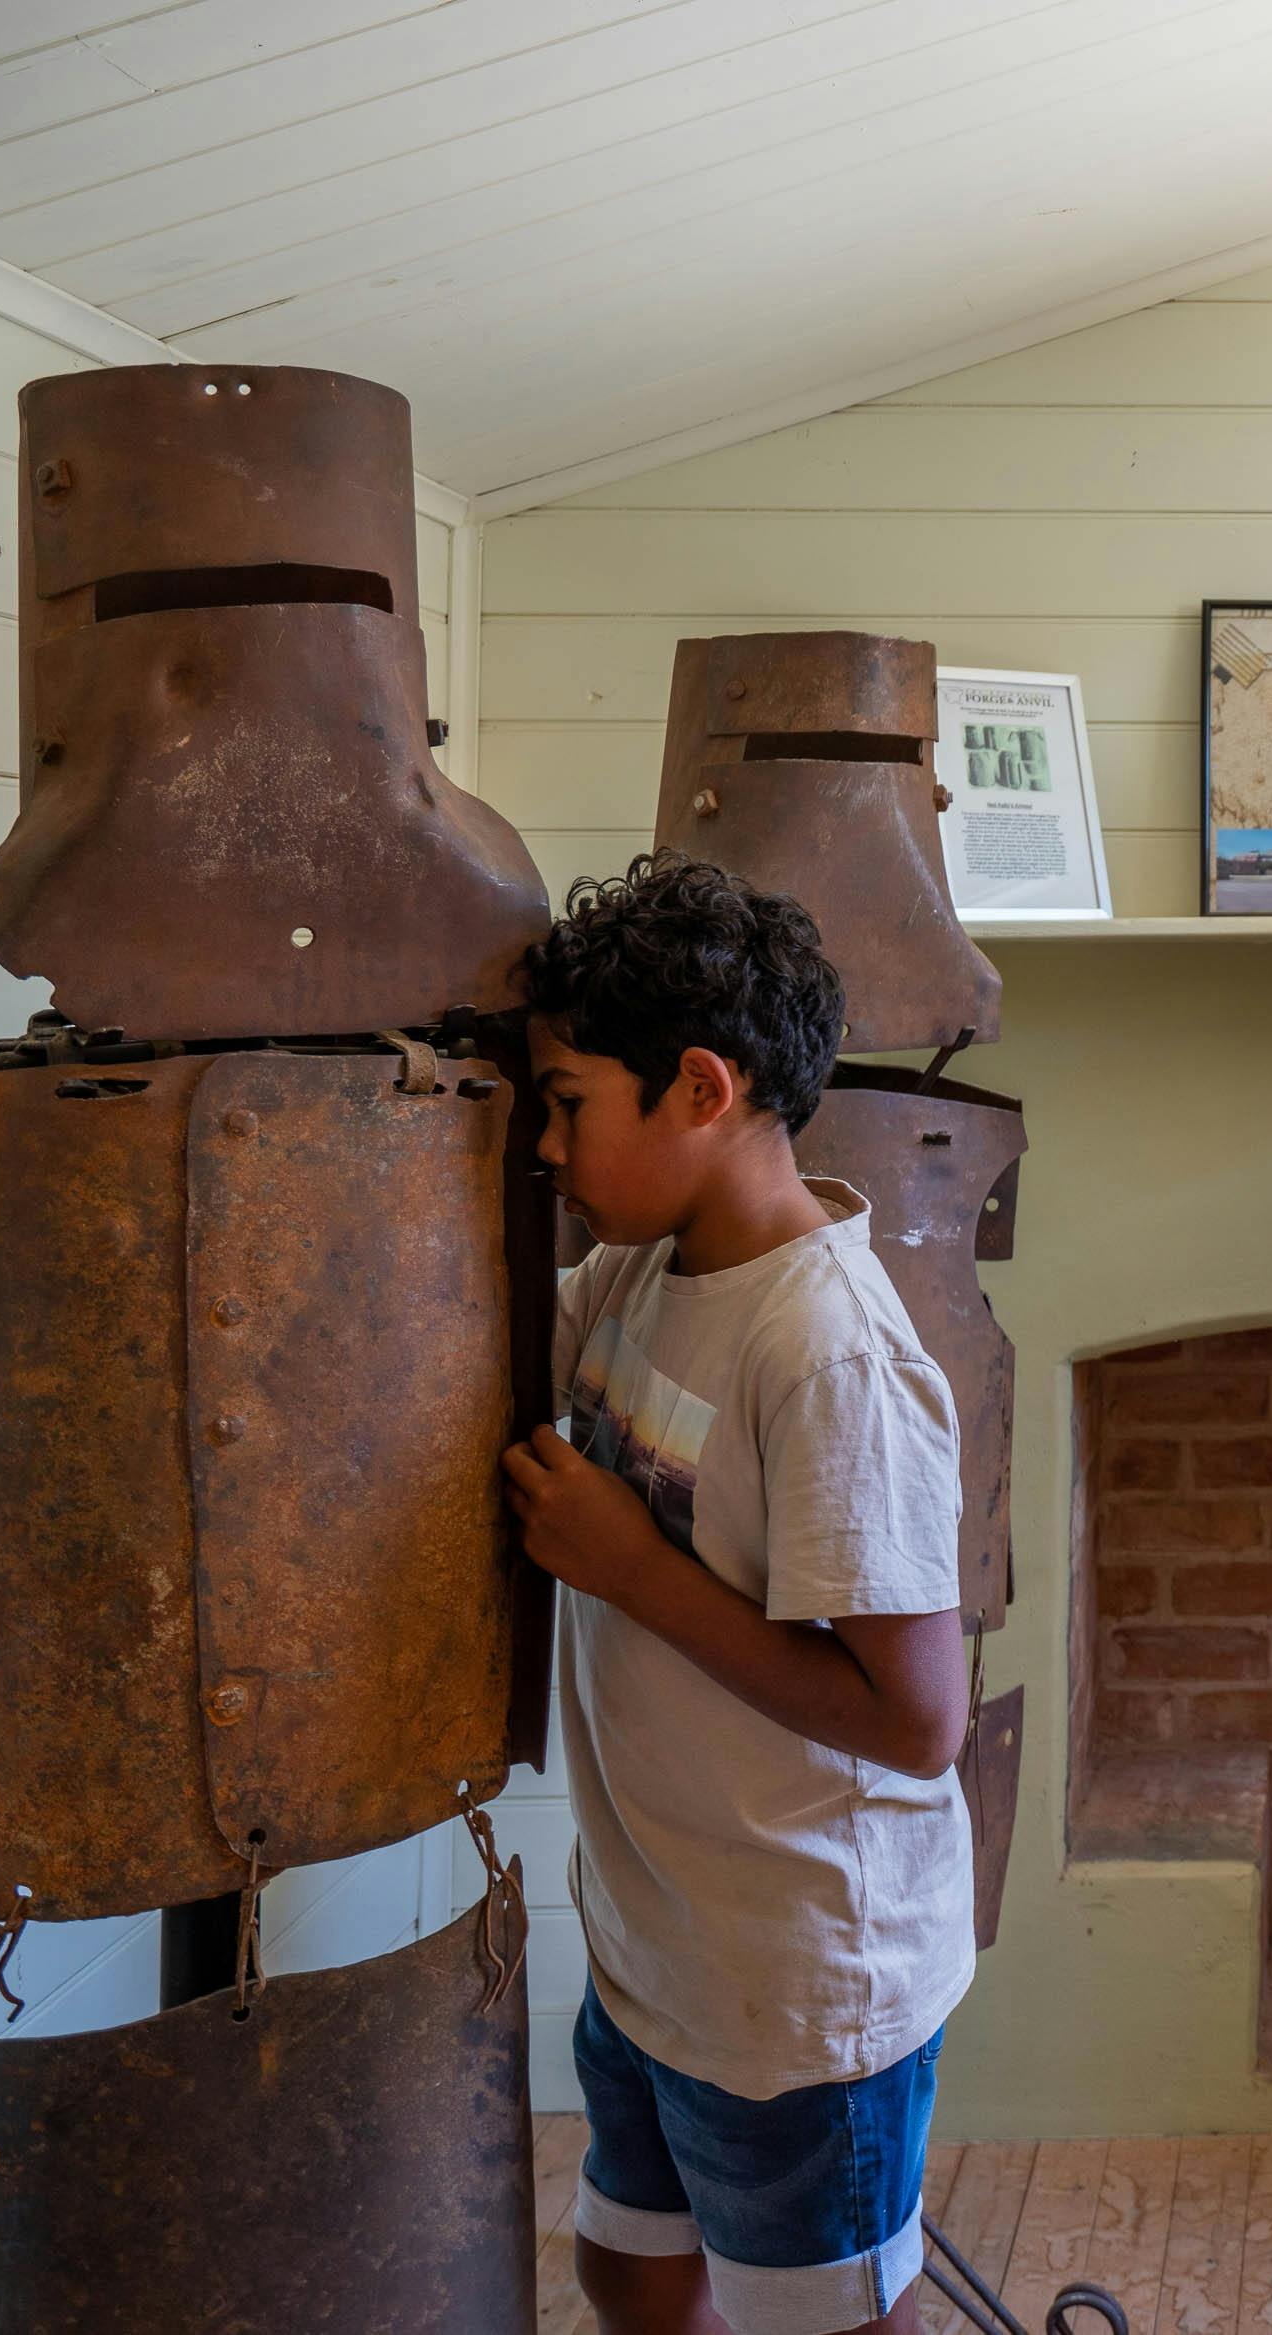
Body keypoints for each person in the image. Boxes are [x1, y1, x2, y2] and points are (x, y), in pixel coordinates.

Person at [499, 853, 974, 2335]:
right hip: (661, 1943)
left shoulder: (826, 1353)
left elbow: (916, 1724)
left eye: (568, 1103)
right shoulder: (646, 1275)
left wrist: (632, 1571)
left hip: (795, 1980)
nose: (544, 1145)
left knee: (823, 2318)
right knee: (631, 2273)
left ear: (699, 1090)